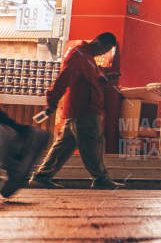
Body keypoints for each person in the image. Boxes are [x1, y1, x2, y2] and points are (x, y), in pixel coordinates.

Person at [30, 32, 121, 189]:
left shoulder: (88, 58)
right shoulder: (79, 55)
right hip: (84, 110)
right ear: (100, 43)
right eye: (105, 49)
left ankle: (42, 176)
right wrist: (52, 101)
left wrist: (105, 79)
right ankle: (101, 179)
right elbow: (64, 78)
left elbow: (87, 82)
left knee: (63, 147)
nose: (104, 53)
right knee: (93, 145)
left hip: (81, 110)